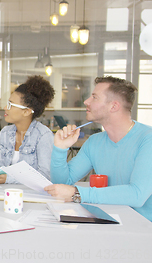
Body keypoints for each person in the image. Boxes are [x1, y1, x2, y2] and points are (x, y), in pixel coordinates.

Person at [45, 76, 152, 221]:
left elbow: (137, 195)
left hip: (143, 228)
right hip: (109, 221)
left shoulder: (147, 139)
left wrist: (77, 193)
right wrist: (60, 149)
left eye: (94, 97)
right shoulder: (95, 141)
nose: (86, 101)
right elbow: (63, 184)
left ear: (114, 106)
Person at [0, 75, 55, 184]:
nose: (5, 108)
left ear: (26, 111)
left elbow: (45, 176)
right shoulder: (6, 132)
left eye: (10, 105)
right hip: (5, 194)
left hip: (31, 197)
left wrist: (9, 179)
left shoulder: (43, 136)